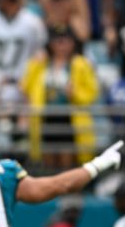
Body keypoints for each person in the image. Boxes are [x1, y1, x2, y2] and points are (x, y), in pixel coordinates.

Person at [22, 25, 99, 167]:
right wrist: (34, 63)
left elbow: (92, 92)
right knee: (47, 160)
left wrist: (75, 93)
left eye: (66, 41)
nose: (62, 46)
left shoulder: (80, 64)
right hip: (46, 118)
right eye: (58, 41)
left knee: (67, 159)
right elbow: (25, 86)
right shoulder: (42, 64)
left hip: (69, 118)